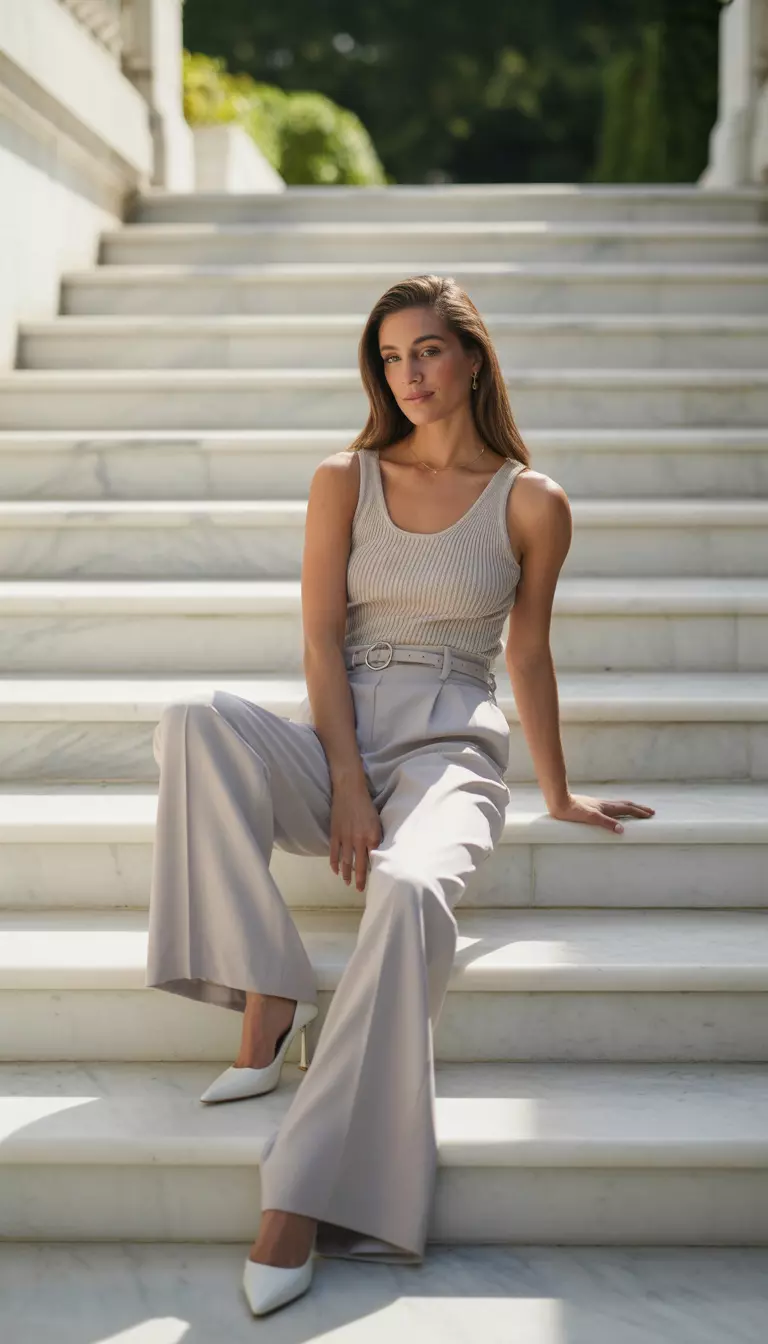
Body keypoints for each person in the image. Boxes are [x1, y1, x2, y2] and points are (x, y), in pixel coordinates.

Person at [145, 272, 655, 1317]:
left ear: (471, 358)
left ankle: (303, 1192)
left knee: (413, 891)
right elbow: (321, 638)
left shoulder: (532, 501)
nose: (409, 374)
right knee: (193, 718)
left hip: (450, 746)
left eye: (427, 351)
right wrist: (341, 777)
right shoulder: (346, 477)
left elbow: (530, 654)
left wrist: (554, 792)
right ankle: (267, 988)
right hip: (341, 726)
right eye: (390, 356)